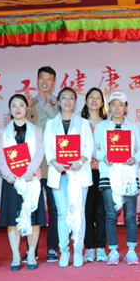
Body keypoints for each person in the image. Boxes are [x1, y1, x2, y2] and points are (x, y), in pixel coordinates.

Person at [44, 87, 94, 268]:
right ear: (58, 101)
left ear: (75, 102)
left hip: (79, 173)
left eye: (71, 98)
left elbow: (89, 146)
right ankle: (64, 250)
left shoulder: (83, 123)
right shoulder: (51, 124)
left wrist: (80, 161)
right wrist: (54, 162)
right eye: (63, 97)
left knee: (79, 212)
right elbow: (48, 147)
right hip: (59, 173)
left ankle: (78, 250)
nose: (67, 101)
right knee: (63, 213)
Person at [0, 94, 46, 270]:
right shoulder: (4, 132)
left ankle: (31, 253)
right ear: (10, 110)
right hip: (11, 181)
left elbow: (39, 153)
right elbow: (1, 156)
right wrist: (7, 173)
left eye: (21, 105)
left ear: (27, 108)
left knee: (34, 219)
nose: (17, 109)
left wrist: (29, 172)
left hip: (31, 179)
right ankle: (16, 255)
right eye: (14, 106)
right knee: (13, 219)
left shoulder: (37, 130)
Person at [93, 91, 140, 265]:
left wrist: (135, 158)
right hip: (108, 173)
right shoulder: (101, 127)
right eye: (113, 104)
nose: (117, 108)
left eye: (120, 105)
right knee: (110, 214)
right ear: (108, 107)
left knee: (130, 214)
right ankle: (113, 250)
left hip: (128, 175)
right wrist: (103, 156)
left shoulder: (134, 127)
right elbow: (94, 149)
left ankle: (131, 251)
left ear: (126, 107)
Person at [26, 66, 60, 263]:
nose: (44, 82)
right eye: (41, 78)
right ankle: (32, 250)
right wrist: (27, 108)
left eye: (49, 79)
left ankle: (53, 248)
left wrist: (45, 104)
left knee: (54, 208)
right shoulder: (28, 103)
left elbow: (58, 124)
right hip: (33, 164)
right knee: (33, 208)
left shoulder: (59, 103)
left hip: (53, 162)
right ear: (37, 80)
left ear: (53, 83)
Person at [81, 87, 108, 262]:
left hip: (103, 171)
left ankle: (101, 248)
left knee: (102, 212)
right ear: (86, 101)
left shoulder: (108, 123)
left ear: (102, 102)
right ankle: (89, 248)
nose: (94, 100)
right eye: (91, 97)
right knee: (87, 211)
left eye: (98, 97)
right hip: (84, 171)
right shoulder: (79, 123)